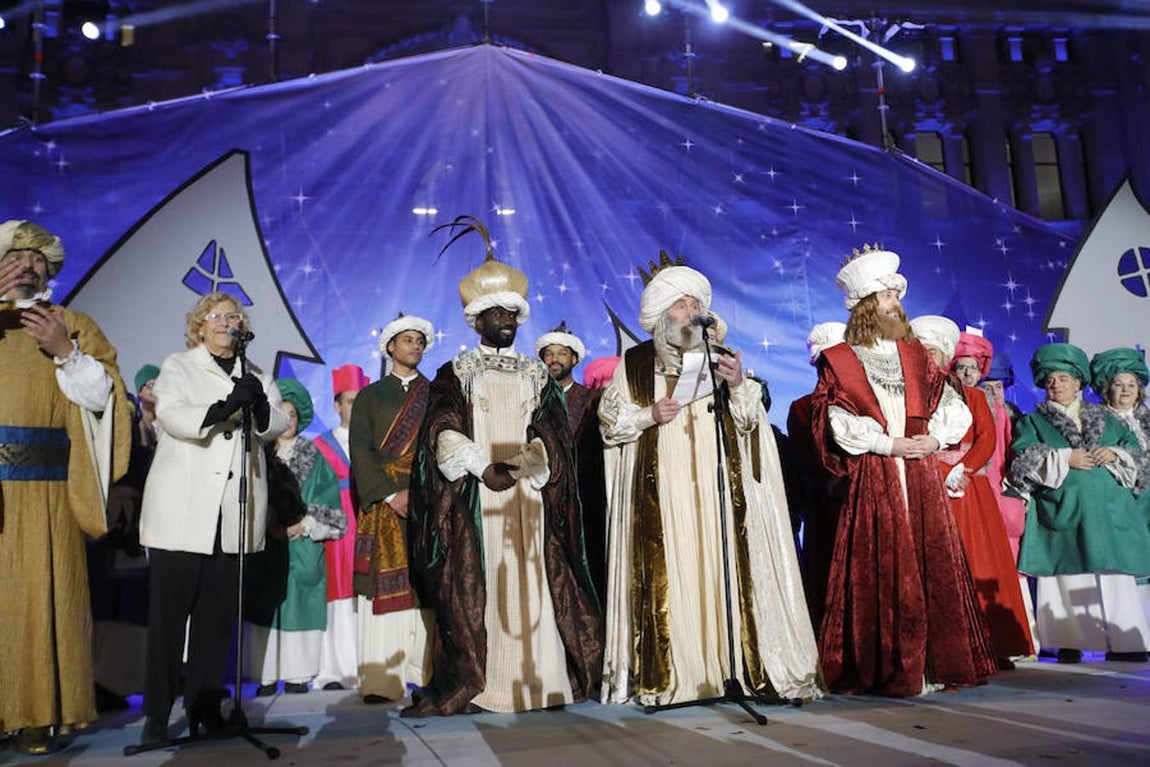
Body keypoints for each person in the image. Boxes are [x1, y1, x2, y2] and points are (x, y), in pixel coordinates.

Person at [599, 252, 823, 706]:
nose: (689, 313)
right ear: (661, 315)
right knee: (675, 571)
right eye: (679, 305)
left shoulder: (719, 358)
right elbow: (609, 422)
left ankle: (725, 668)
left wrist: (739, 385)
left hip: (716, 485)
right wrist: (648, 414)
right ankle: (680, 673)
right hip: (663, 488)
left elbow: (750, 422)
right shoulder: (635, 364)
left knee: (719, 567)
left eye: (694, 304)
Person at [403, 219, 603, 716]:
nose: (507, 319)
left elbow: (552, 431)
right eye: (497, 312)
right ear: (477, 320)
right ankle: (486, 685)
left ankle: (542, 682)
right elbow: (441, 429)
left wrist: (527, 463)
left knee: (534, 580)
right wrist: (480, 467)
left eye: (513, 312)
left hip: (527, 493)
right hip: (478, 495)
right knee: (481, 586)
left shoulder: (537, 372)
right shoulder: (457, 371)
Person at [810, 245, 995, 697]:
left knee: (931, 560)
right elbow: (836, 418)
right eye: (888, 295)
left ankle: (934, 663)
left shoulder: (915, 354)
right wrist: (887, 444)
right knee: (883, 563)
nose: (897, 303)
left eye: (897, 295)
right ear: (867, 304)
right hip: (878, 472)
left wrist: (934, 440)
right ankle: (889, 665)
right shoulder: (842, 359)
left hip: (920, 470)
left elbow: (950, 402)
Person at [0, 220, 132, 754]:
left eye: (38, 260)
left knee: (42, 602)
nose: (28, 267)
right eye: (16, 257)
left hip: (49, 492)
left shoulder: (74, 324)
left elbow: (105, 399)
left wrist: (64, 351)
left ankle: (37, 714)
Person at [138, 291, 290, 744]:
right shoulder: (178, 365)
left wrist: (258, 406)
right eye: (216, 316)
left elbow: (277, 425)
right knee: (168, 620)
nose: (226, 322)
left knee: (216, 621)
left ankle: (205, 708)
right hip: (181, 510)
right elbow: (172, 415)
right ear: (199, 326)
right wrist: (223, 408)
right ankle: (156, 716)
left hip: (232, 513)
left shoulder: (256, 374)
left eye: (233, 316)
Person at [1012, 344, 1150, 664]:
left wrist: (1116, 454)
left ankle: (1125, 642)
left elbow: (1138, 455)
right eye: (1050, 380)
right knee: (1066, 573)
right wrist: (1064, 457)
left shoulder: (1106, 417)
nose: (1056, 385)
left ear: (1078, 383)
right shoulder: (1032, 421)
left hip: (1108, 511)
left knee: (1114, 573)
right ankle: (1068, 641)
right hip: (1063, 508)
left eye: (1063, 378)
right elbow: (1021, 460)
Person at [911, 318, 1033, 668]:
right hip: (928, 482)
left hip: (967, 488)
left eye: (935, 352)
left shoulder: (975, 396)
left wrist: (962, 470)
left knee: (979, 561)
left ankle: (991, 644)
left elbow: (986, 440)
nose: (929, 359)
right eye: (923, 352)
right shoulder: (912, 395)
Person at [348, 314, 436, 704]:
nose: (414, 346)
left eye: (419, 340)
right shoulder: (370, 396)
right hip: (384, 505)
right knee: (383, 589)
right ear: (390, 347)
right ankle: (382, 682)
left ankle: (427, 675)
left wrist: (422, 492)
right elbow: (360, 452)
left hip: (427, 501)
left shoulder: (436, 394)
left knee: (427, 587)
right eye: (407, 340)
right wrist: (389, 494)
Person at [245, 378, 345, 695]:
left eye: (292, 415)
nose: (288, 421)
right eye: (281, 414)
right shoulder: (258, 456)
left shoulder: (315, 456)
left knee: (299, 607)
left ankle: (297, 676)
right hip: (266, 546)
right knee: (266, 609)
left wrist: (303, 523)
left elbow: (332, 507)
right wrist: (268, 522)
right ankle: (265, 676)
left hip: (302, 548)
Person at [88, 363, 162, 713]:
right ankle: (97, 684)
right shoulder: (93, 457)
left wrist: (131, 495)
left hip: (135, 546)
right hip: (100, 547)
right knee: (102, 614)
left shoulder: (144, 457)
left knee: (132, 616)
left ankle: (123, 683)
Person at [785, 321, 847, 631]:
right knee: (826, 572)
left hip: (865, 497)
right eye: (827, 362)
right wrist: (834, 480)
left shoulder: (867, 403)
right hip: (825, 503)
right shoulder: (801, 408)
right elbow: (804, 455)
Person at [1090, 347, 1150, 662]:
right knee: (1128, 573)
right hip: (1123, 503)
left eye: (1131, 385)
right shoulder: (1097, 420)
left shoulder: (1147, 420)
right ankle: (1129, 640)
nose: (1125, 391)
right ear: (1106, 388)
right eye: (1118, 384)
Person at [312, 364, 369, 690]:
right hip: (337, 528)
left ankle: (370, 667)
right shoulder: (321, 445)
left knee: (367, 592)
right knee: (338, 593)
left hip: (368, 522)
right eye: (349, 401)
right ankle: (335, 669)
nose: (355, 407)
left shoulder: (375, 442)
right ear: (336, 405)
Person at [536, 320, 595, 434]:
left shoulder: (590, 398)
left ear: (574, 359)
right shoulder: (533, 397)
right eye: (549, 354)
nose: (554, 359)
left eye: (562, 354)